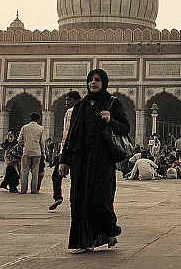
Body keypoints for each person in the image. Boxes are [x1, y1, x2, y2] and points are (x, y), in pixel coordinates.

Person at [59, 68, 129, 253]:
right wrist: (63, 160)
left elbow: (125, 127)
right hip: (80, 159)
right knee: (79, 200)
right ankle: (83, 242)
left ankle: (109, 231)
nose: (93, 83)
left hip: (102, 160)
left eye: (97, 80)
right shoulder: (80, 107)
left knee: (101, 198)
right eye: (91, 80)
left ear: (103, 82)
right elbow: (71, 135)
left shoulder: (112, 103)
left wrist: (110, 120)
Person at [50, 90, 81, 211]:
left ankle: (58, 196)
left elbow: (67, 134)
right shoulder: (84, 111)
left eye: (69, 100)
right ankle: (76, 202)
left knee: (56, 175)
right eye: (66, 100)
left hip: (68, 151)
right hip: (79, 151)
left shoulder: (71, 111)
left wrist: (62, 152)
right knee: (76, 179)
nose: (66, 102)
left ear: (76, 101)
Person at [17, 111, 46, 194]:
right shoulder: (41, 128)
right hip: (37, 151)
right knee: (35, 171)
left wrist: (23, 146)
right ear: (38, 119)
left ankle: (23, 190)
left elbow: (19, 140)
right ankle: (34, 190)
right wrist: (43, 153)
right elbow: (42, 142)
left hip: (26, 151)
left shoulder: (25, 127)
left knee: (24, 171)